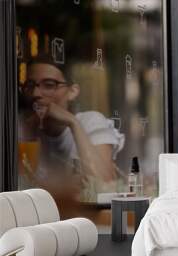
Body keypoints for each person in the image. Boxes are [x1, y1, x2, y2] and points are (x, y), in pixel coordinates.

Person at [19, 55, 125, 196]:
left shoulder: (90, 122)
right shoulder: (21, 127)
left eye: (49, 85)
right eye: (30, 86)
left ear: (72, 91)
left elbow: (104, 186)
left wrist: (72, 122)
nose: (36, 93)